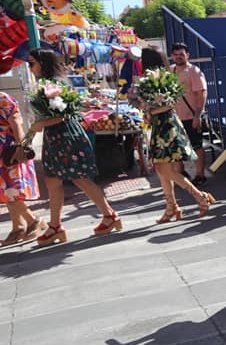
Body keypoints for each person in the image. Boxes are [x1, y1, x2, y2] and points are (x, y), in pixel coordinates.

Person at [27, 49, 122, 246]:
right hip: (55, 138)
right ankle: (55, 226)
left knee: (80, 178)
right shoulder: (48, 83)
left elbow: (64, 115)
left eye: (32, 63)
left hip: (65, 136)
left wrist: (40, 124)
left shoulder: (55, 84)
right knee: (52, 180)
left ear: (42, 63)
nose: (30, 67)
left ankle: (109, 215)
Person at [140, 48, 215, 223]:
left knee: (164, 169)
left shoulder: (162, 78)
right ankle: (171, 207)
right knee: (162, 169)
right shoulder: (163, 77)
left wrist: (149, 111)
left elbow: (170, 103)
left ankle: (199, 197)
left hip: (166, 125)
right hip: (163, 125)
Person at [0, 90, 44, 245]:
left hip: (9, 152)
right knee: (8, 193)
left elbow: (16, 122)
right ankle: (17, 227)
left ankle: (33, 220)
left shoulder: (2, 98)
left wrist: (21, 148)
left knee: (8, 192)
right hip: (4, 153)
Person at [170, 42, 208, 185]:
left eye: (181, 54)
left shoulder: (194, 71)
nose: (178, 57)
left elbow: (201, 94)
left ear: (188, 55)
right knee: (176, 146)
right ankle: (181, 173)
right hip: (175, 117)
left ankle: (200, 175)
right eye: (176, 54)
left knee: (196, 146)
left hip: (191, 116)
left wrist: (197, 116)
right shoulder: (170, 71)